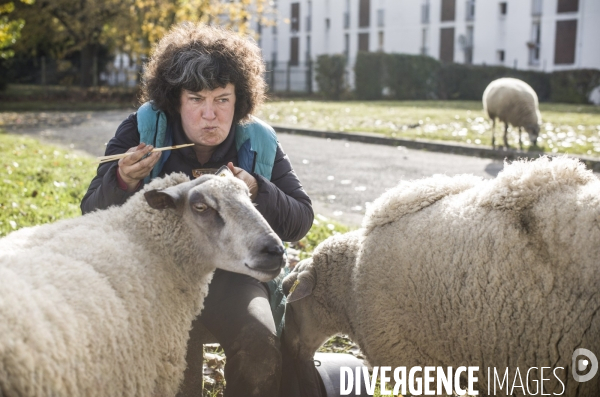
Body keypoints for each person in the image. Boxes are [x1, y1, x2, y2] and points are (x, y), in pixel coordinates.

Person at [81, 23, 314, 397]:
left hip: (234, 276)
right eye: (196, 99)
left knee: (260, 347)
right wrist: (123, 179)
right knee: (169, 373)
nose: (210, 115)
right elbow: (90, 211)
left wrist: (258, 188)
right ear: (175, 100)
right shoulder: (144, 128)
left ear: (240, 101)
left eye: (222, 99)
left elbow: (301, 219)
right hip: (156, 274)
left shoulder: (258, 140)